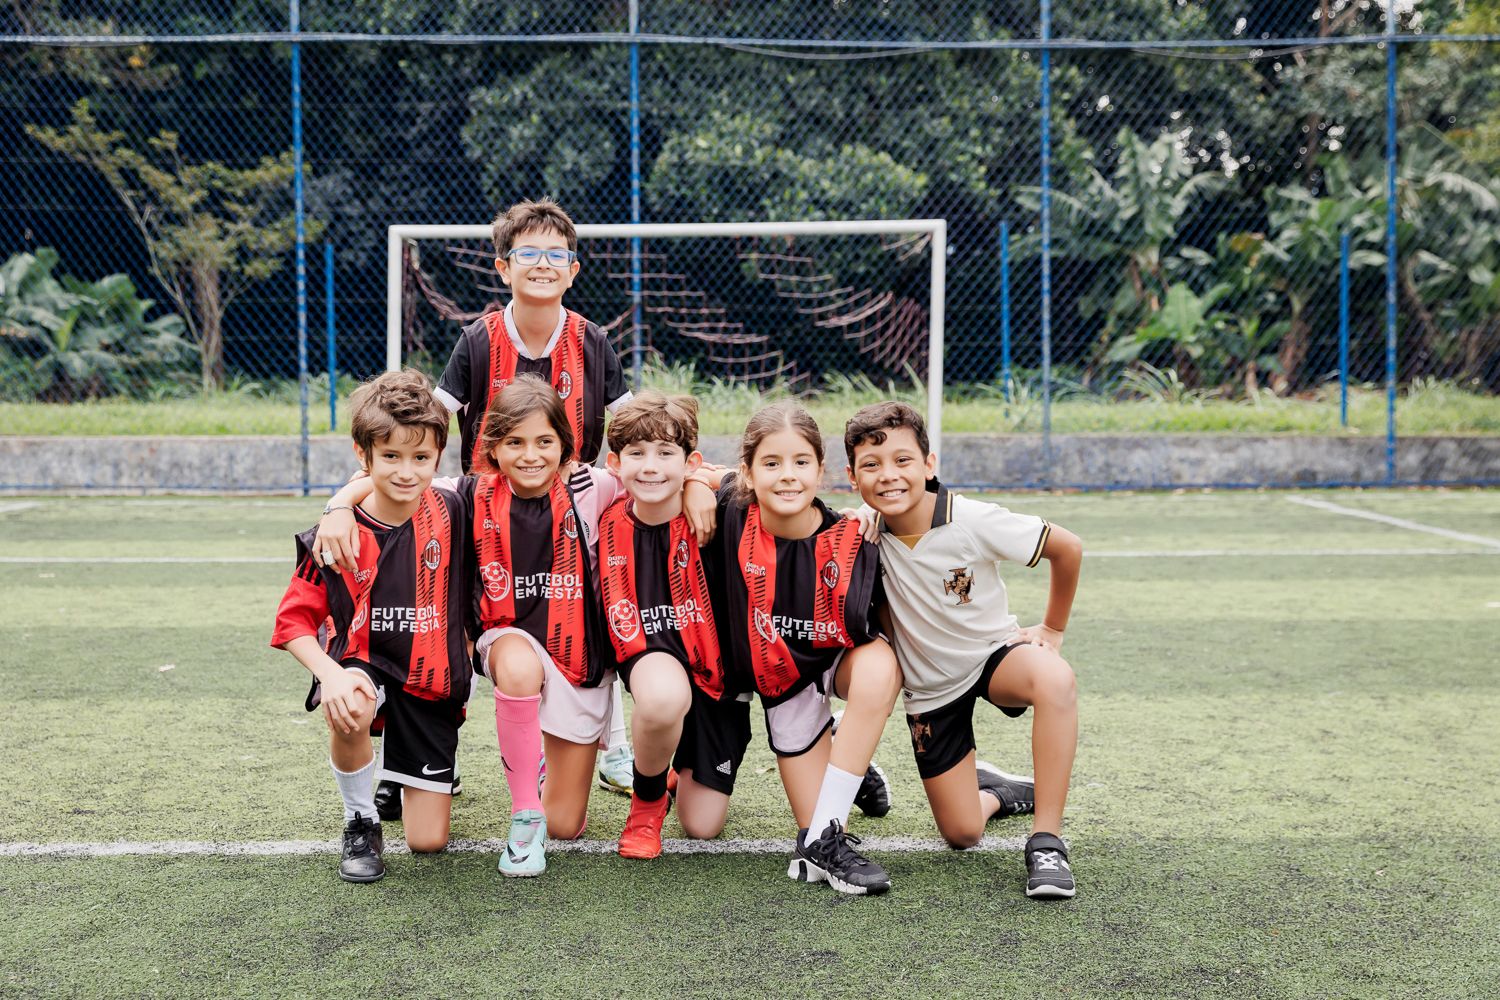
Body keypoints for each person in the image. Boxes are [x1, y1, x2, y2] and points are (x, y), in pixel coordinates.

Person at [314, 376, 716, 877]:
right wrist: (338, 505)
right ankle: (524, 813)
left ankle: (540, 770)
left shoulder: (594, 486)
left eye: (544, 441)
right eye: (514, 443)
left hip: (579, 657)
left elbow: (678, 472)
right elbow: (396, 477)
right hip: (506, 638)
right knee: (519, 666)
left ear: (565, 447)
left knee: (566, 824)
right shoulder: (470, 493)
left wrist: (699, 486)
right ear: (493, 448)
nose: (530, 455)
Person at [375, 197, 636, 820]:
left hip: (571, 511)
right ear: (503, 267)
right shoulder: (478, 340)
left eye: (556, 255)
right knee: (450, 621)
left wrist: (699, 477)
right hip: (484, 514)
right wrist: (358, 490)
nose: (542, 264)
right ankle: (420, 756)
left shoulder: (593, 342)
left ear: (573, 270)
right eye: (528, 253)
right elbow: (427, 420)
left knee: (588, 615)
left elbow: (636, 427)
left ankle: (615, 747)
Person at [844, 401, 1081, 899]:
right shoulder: (862, 533)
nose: (889, 476)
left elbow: (1067, 548)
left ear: (929, 464)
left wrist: (1053, 628)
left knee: (1054, 678)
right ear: (852, 476)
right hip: (931, 689)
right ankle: (998, 791)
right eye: (872, 465)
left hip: (993, 657)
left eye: (903, 461)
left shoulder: (971, 519)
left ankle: (1047, 842)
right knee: (962, 832)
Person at [270, 370, 471, 883]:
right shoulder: (336, 536)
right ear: (364, 456)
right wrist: (331, 675)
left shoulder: (456, 507)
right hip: (365, 663)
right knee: (350, 706)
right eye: (391, 457)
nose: (406, 471)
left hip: (430, 676)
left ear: (439, 457)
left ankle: (398, 773)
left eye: (421, 457)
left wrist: (340, 498)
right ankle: (360, 820)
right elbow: (292, 624)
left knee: (428, 842)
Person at [704, 402, 904, 896]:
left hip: (832, 664)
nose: (788, 475)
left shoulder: (853, 536)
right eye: (771, 463)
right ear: (748, 472)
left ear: (821, 469)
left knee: (880, 668)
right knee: (700, 822)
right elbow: (694, 472)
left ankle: (824, 841)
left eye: (801, 462)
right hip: (781, 683)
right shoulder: (733, 510)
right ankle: (842, 750)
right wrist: (693, 486)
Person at [596, 391, 742, 860]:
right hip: (652, 655)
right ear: (615, 464)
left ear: (689, 461)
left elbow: (766, 477)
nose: (650, 467)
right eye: (637, 454)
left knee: (702, 826)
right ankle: (647, 800)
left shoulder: (714, 510)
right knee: (662, 699)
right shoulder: (603, 516)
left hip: (717, 679)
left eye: (665, 453)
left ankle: (666, 764)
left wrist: (700, 482)